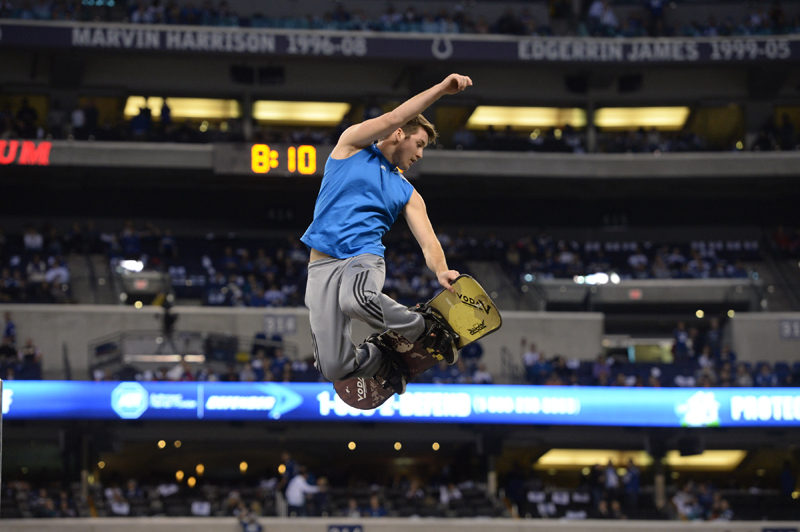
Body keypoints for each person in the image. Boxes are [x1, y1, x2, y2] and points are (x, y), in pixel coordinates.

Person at [301, 73, 473, 395]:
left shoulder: (408, 192)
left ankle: (425, 328)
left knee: (357, 301)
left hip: (362, 257)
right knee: (333, 367)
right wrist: (441, 89)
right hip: (321, 265)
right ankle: (383, 360)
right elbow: (394, 116)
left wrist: (441, 269)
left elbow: (428, 241)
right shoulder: (351, 147)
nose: (420, 154)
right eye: (419, 144)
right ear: (399, 134)